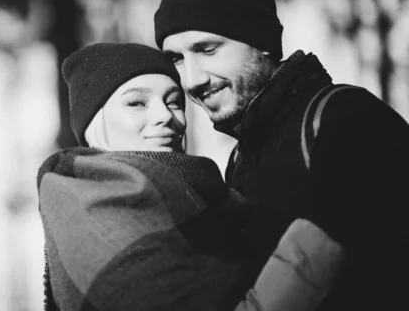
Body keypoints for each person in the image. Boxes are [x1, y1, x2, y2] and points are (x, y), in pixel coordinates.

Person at [154, 0, 409, 310]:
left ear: (260, 41)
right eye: (176, 59)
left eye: (207, 49)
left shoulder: (347, 122)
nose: (191, 80)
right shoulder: (241, 157)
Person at [38, 42, 343, 311]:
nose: (166, 116)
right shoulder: (94, 217)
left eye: (173, 102)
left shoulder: (207, 199)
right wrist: (310, 250)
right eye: (136, 103)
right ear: (93, 125)